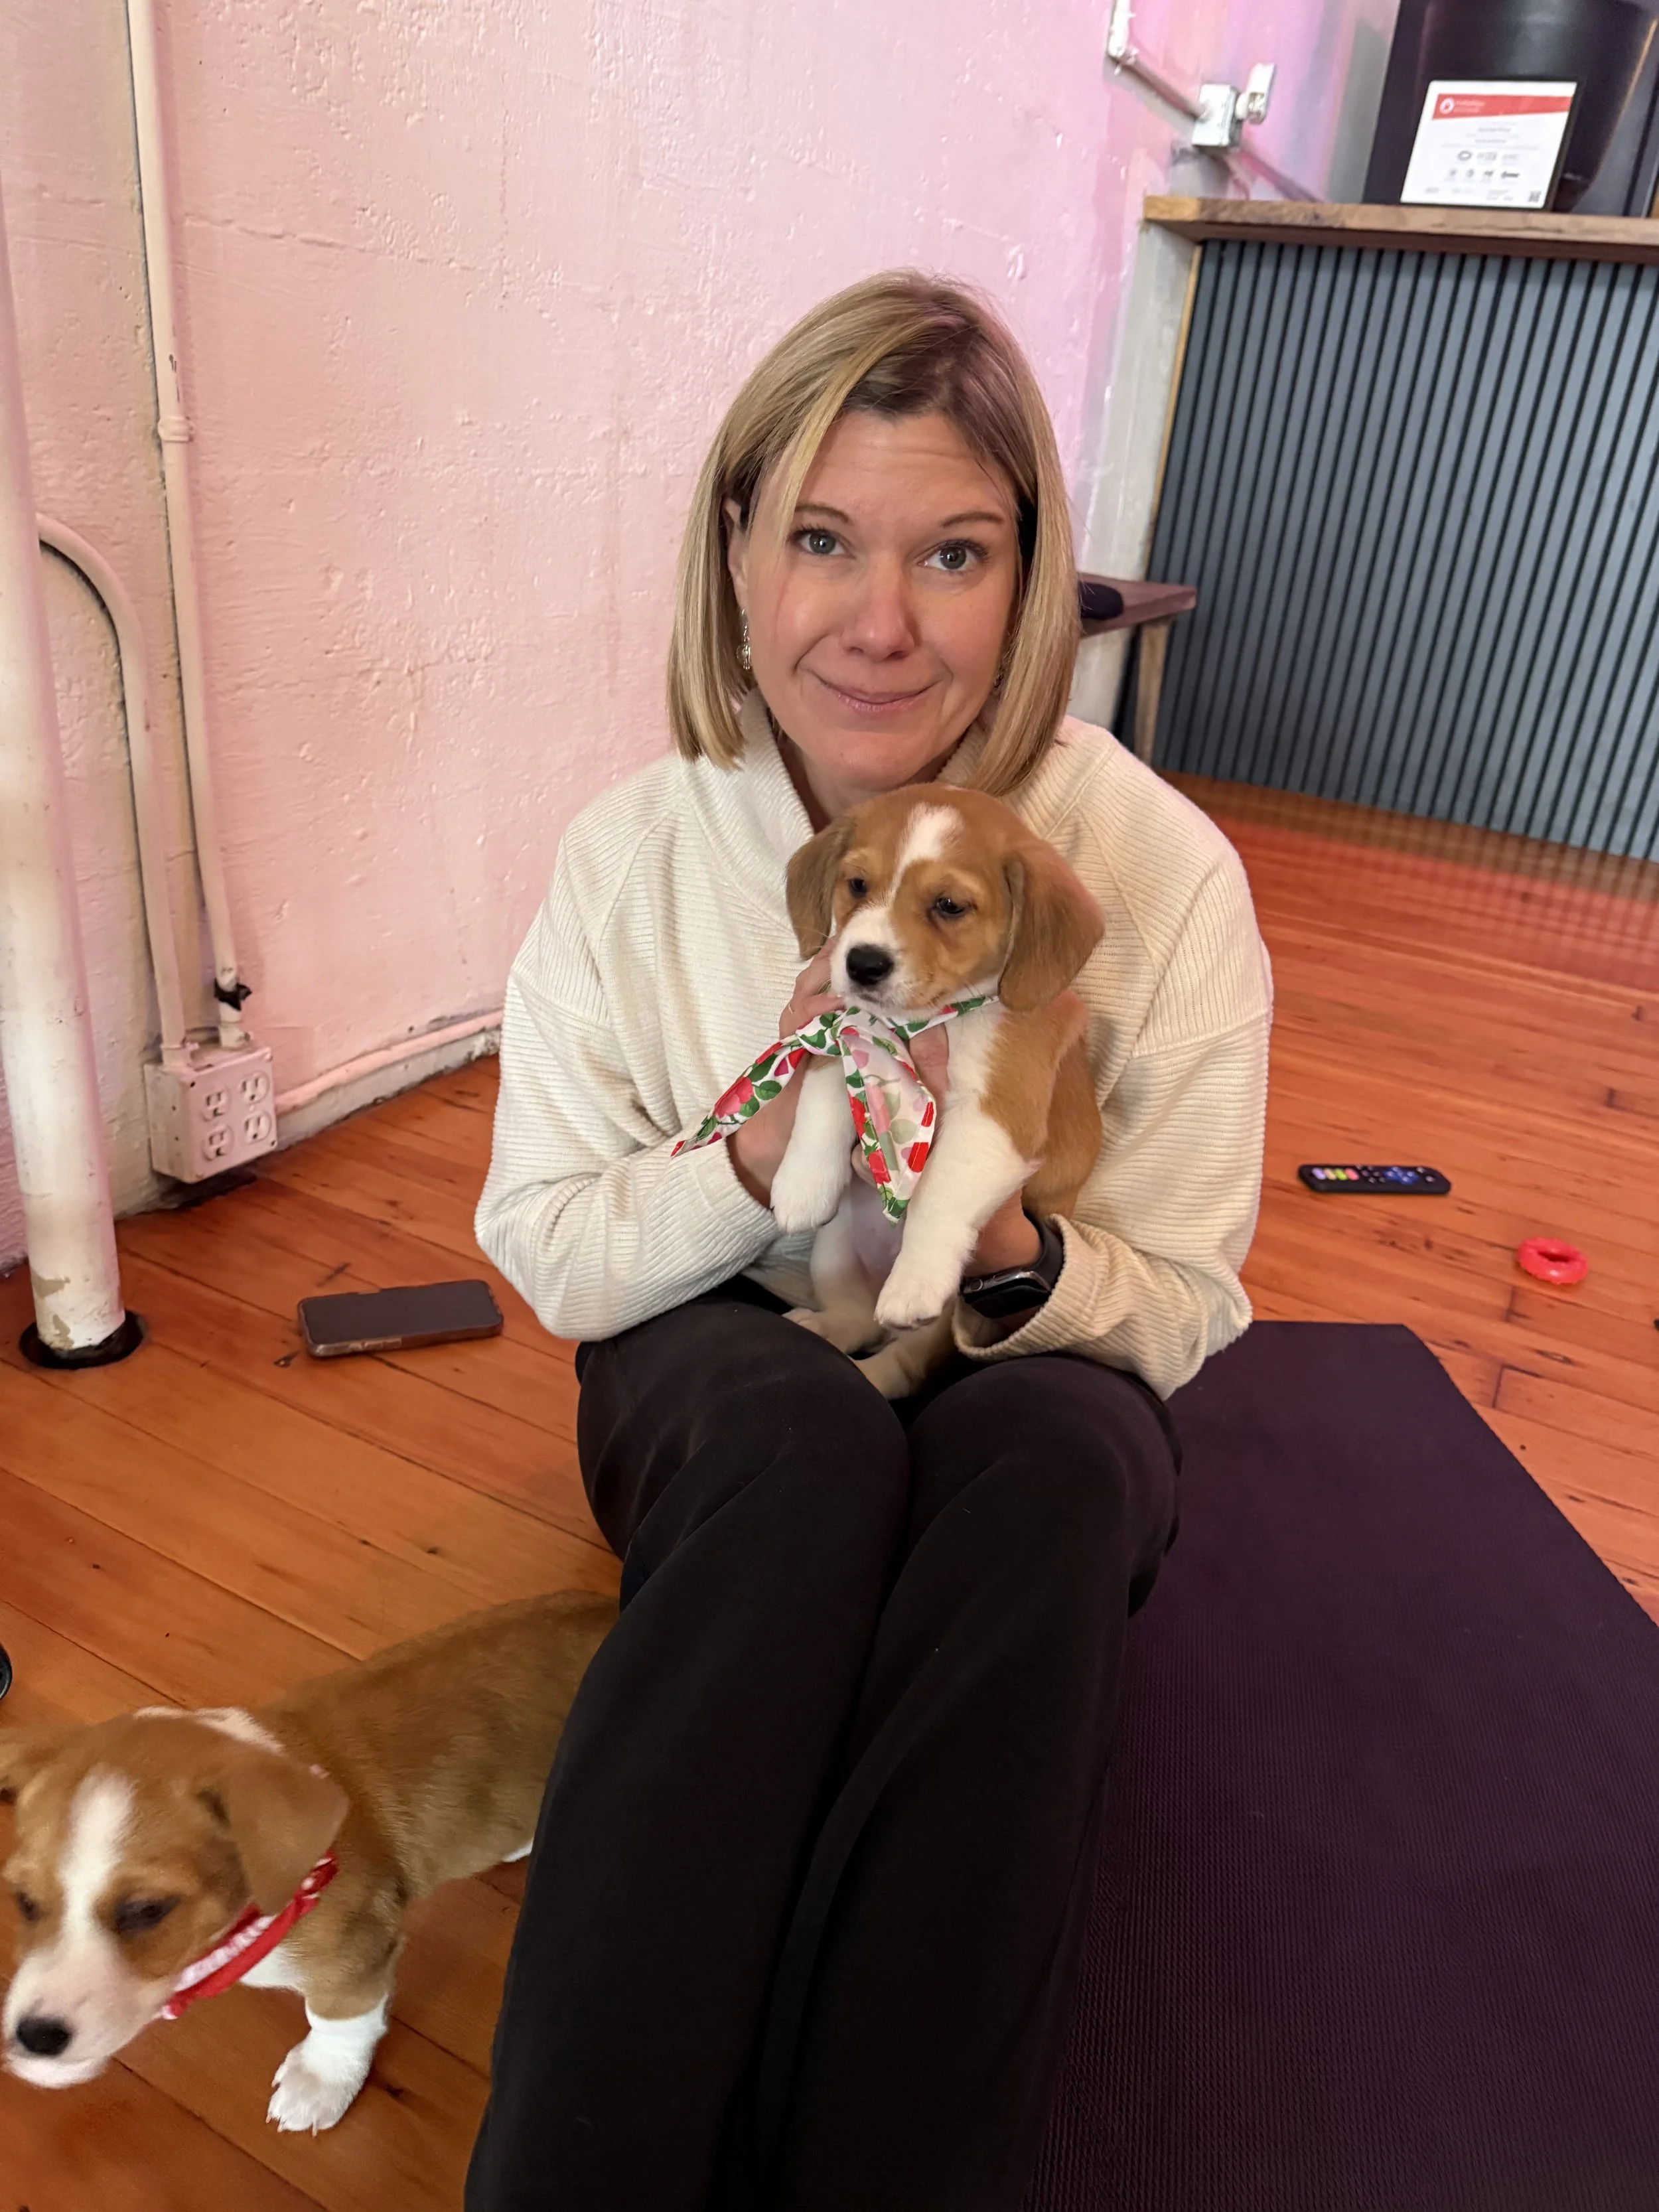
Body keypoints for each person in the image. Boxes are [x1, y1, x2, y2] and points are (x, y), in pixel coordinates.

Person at [465, 271, 1272, 2212]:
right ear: (736, 554)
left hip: (1010, 1352)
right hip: (729, 1352)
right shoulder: (632, 856)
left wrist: (1000, 1248)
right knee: (795, 1449)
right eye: (822, 539)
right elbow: (551, 1249)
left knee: (1062, 1478)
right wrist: (754, 1163)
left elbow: (1186, 1302)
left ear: (1031, 580)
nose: (881, 621)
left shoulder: (1152, 872)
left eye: (955, 553)